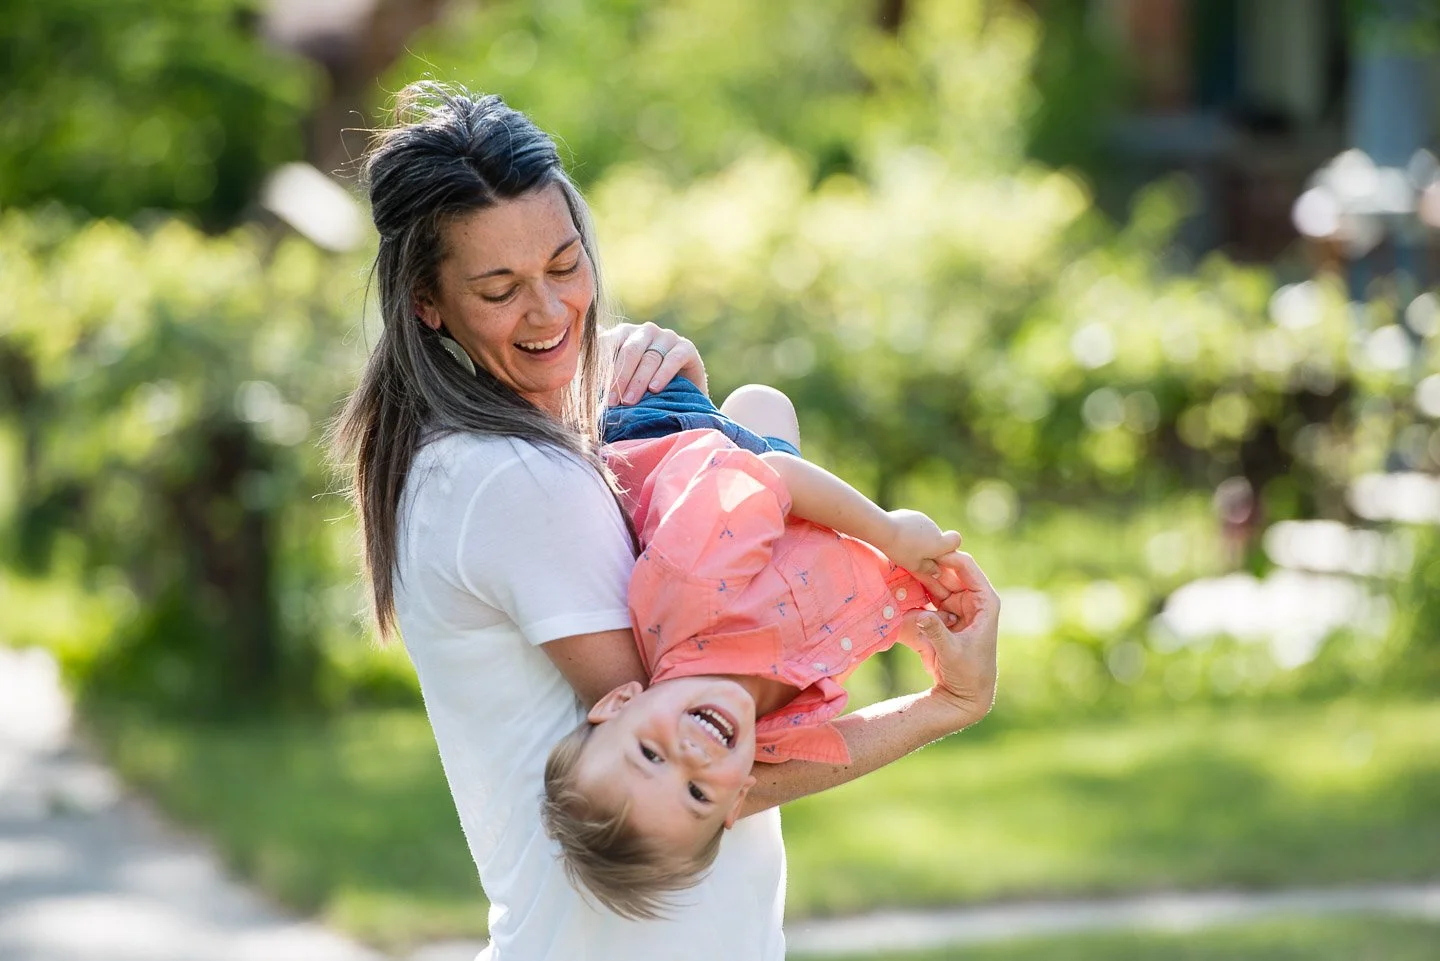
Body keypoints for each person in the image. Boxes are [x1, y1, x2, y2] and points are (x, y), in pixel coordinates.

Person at [332, 81, 1000, 961]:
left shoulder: (504, 454)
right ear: (429, 302)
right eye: (500, 290)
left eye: (566, 266)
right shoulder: (513, 481)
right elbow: (717, 760)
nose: (550, 311)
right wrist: (945, 705)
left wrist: (687, 421)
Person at [541, 379, 972, 919]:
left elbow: (778, 477)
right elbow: (828, 636)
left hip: (676, 443)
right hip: (790, 551)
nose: (691, 758)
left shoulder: (694, 595)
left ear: (620, 701)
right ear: (736, 800)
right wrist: (914, 621)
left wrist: (889, 533)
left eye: (650, 755)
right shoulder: (772, 740)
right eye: (698, 794)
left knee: (762, 419)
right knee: (767, 410)